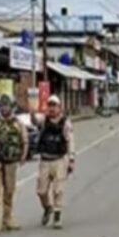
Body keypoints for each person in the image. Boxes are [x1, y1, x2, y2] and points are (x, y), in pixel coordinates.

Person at [0, 94, 28, 235]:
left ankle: (7, 218)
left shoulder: (18, 123)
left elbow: (24, 141)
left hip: (11, 161)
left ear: (11, 107)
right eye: (1, 106)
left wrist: (23, 156)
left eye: (6, 106)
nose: (4, 109)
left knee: (9, 191)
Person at [34, 95, 75, 229]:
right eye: (49, 105)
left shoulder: (65, 123)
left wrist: (71, 159)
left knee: (58, 190)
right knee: (41, 191)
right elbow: (34, 121)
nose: (51, 108)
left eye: (54, 106)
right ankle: (47, 208)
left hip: (59, 160)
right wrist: (32, 111)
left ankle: (57, 215)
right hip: (45, 160)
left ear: (59, 107)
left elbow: (70, 141)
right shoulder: (44, 120)